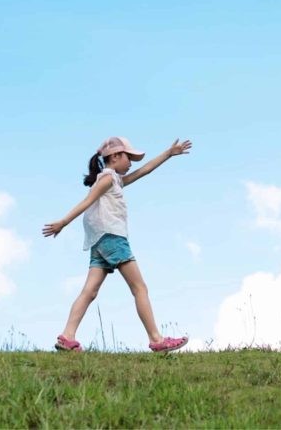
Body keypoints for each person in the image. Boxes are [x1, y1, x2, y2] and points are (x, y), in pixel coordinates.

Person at [42, 136, 192, 353]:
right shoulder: (107, 179)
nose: (131, 163)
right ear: (114, 157)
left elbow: (145, 171)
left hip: (99, 241)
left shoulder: (115, 180)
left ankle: (67, 336)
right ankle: (156, 339)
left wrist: (168, 154)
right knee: (139, 287)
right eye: (128, 157)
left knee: (90, 291)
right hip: (112, 237)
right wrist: (63, 222)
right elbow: (87, 201)